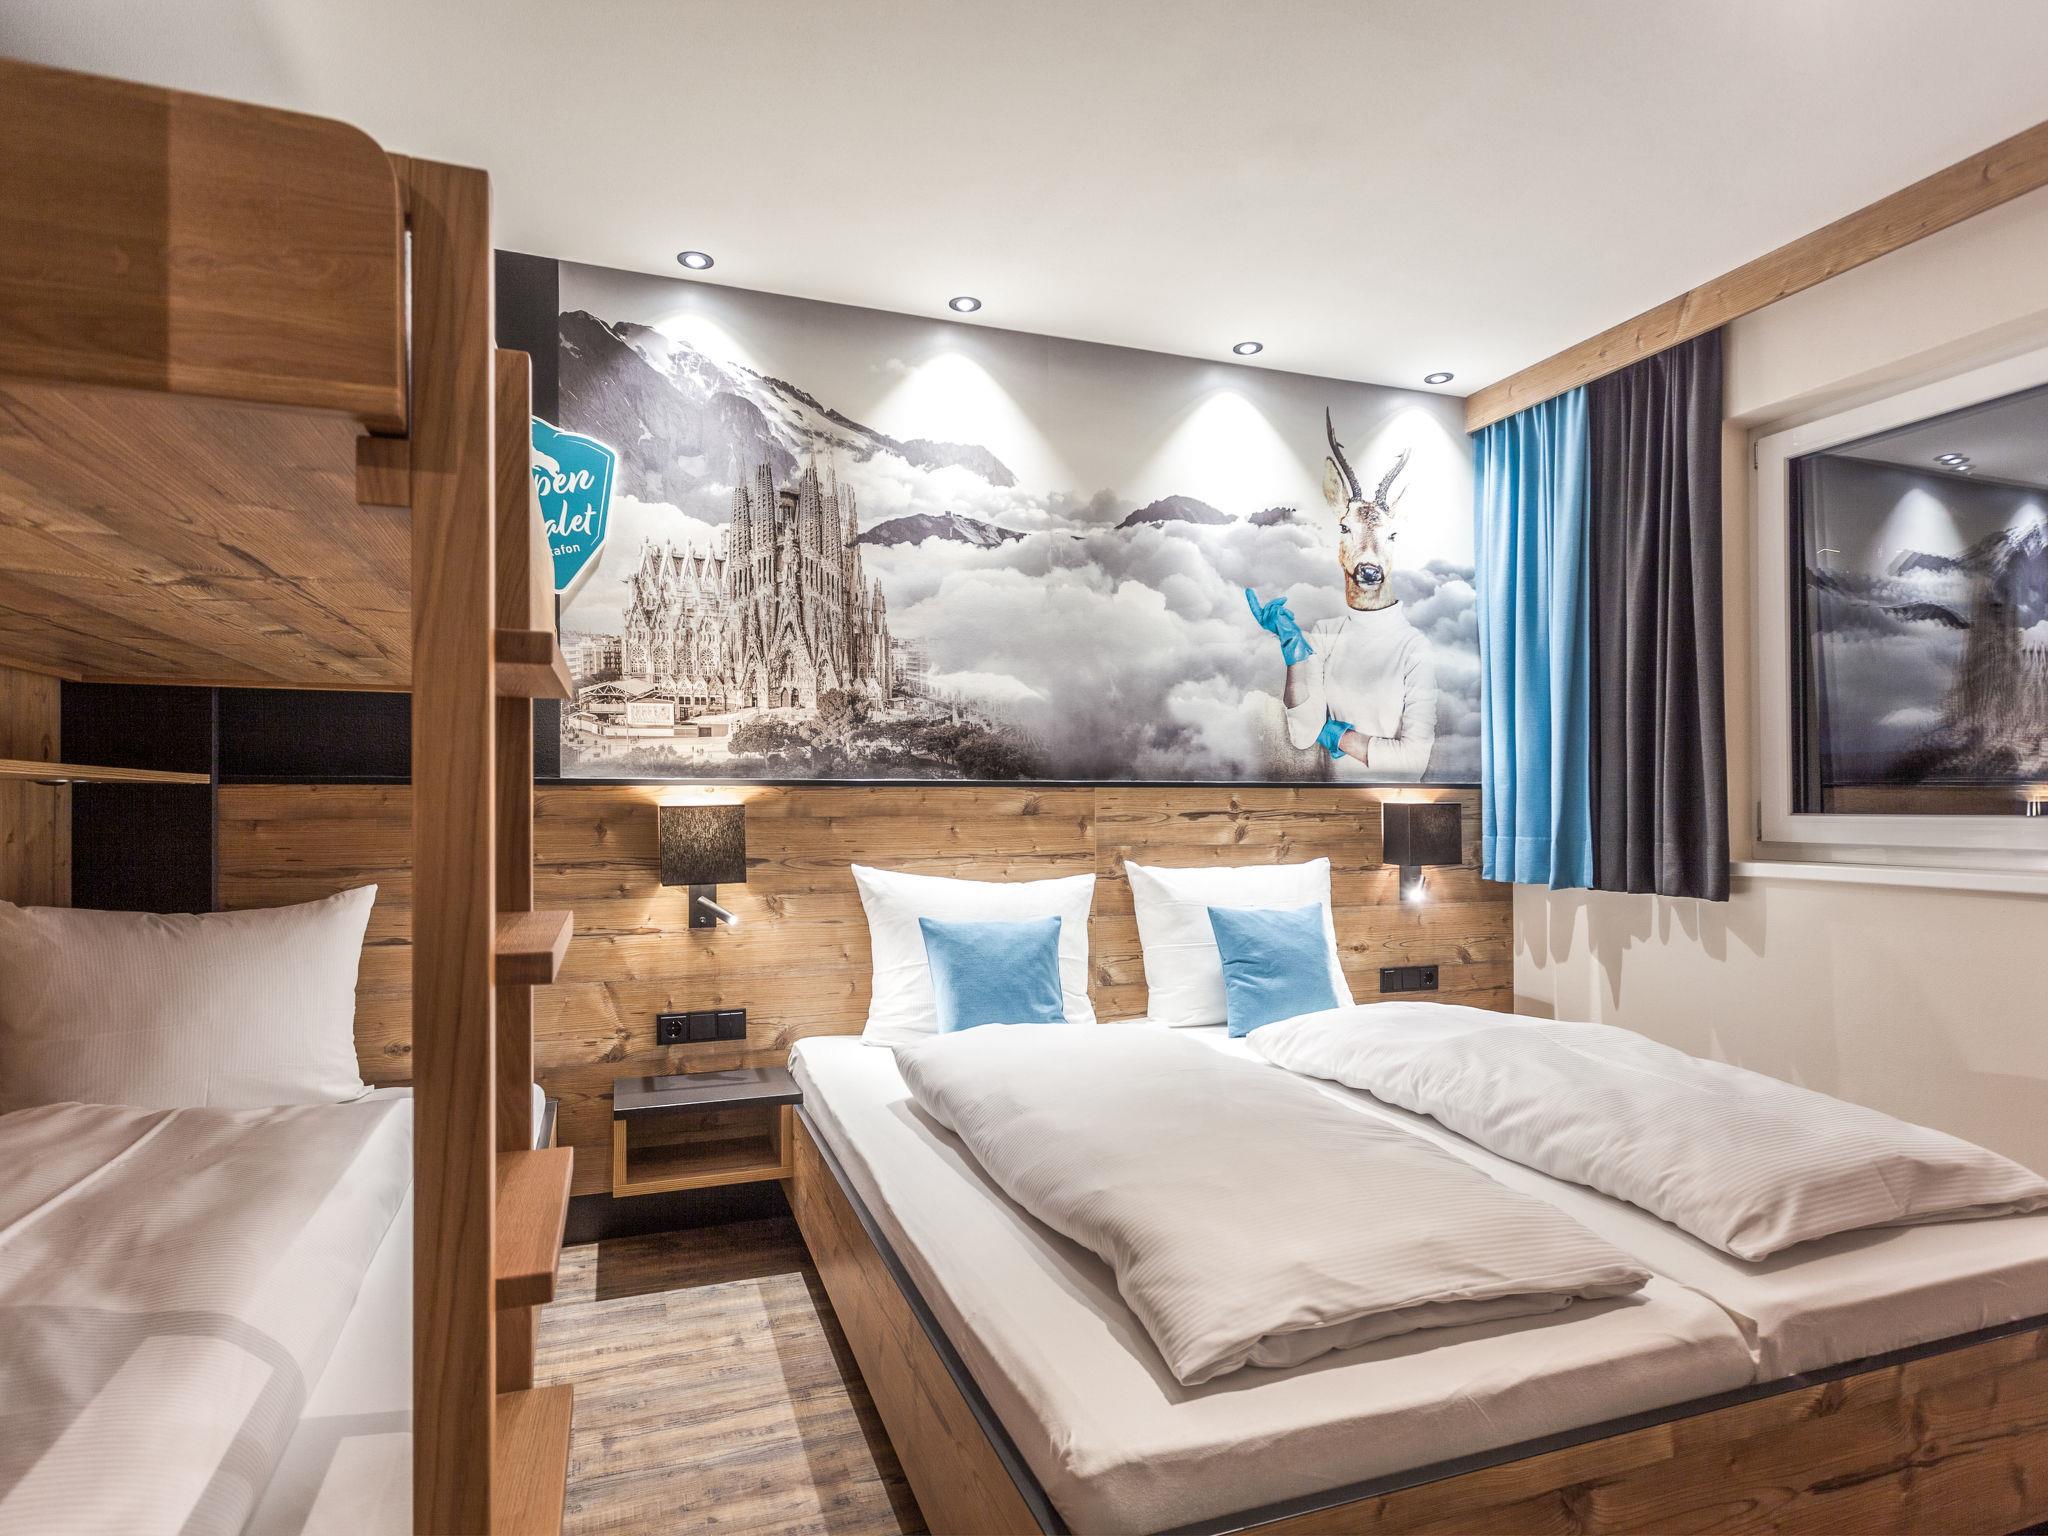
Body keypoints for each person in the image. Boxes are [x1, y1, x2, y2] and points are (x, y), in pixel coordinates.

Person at [1246, 414, 1436, 781]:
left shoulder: (1414, 648)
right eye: (1350, 531)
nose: (1369, 552)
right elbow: (1303, 735)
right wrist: (1294, 650)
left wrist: (1338, 736)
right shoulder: (1325, 633)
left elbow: (1414, 762)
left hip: (1396, 805)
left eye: (1387, 537)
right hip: (1329, 805)